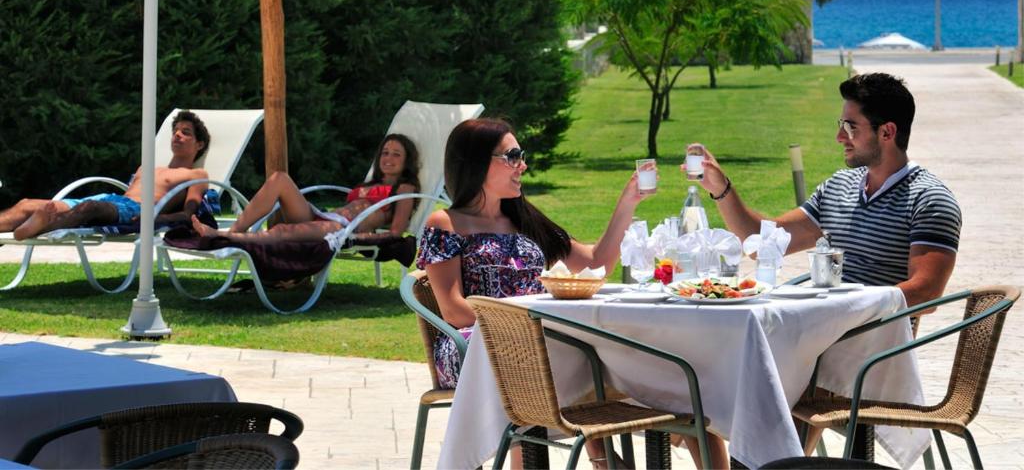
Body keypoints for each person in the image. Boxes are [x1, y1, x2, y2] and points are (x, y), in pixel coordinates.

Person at [417, 118, 729, 470]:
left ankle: (648, 424)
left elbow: (595, 263)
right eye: (513, 156)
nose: (523, 165)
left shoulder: (524, 219)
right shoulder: (445, 224)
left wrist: (628, 202)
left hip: (544, 339)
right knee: (563, 353)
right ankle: (603, 456)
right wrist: (524, 321)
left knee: (667, 372)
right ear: (476, 162)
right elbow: (453, 310)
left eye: (521, 155)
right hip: (475, 347)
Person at [689, 72, 961, 307]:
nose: (839, 137)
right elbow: (761, 245)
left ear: (887, 132)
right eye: (840, 126)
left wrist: (845, 310)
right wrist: (721, 189)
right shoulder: (839, 187)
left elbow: (926, 292)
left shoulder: (929, 200)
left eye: (850, 127)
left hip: (873, 343)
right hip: (824, 329)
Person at [0, 110, 211, 240]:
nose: (177, 135)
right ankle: (37, 223)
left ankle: (42, 227)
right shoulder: (147, 168)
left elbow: (188, 215)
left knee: (89, 208)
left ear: (199, 144)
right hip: (112, 200)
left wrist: (156, 217)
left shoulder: (196, 174)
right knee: (27, 204)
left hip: (136, 209)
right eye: (175, 131)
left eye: (185, 132)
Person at [190, 133, 420, 252]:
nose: (388, 158)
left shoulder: (404, 189)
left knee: (282, 230)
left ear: (407, 160)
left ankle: (223, 237)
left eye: (396, 154)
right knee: (279, 179)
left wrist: (356, 238)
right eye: (385, 152)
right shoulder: (370, 184)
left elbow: (396, 232)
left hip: (340, 229)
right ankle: (234, 231)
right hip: (326, 216)